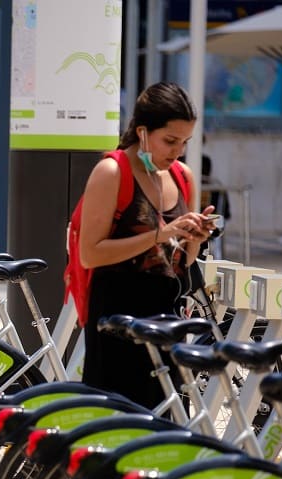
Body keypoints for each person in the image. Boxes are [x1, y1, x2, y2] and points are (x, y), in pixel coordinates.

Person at [78, 82, 216, 408]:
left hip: (166, 316)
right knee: (114, 422)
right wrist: (162, 233)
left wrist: (194, 238)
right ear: (142, 132)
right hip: (116, 318)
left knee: (162, 422)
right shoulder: (112, 171)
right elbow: (89, 253)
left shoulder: (183, 176)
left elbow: (182, 262)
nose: (177, 151)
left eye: (185, 142)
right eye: (169, 141)